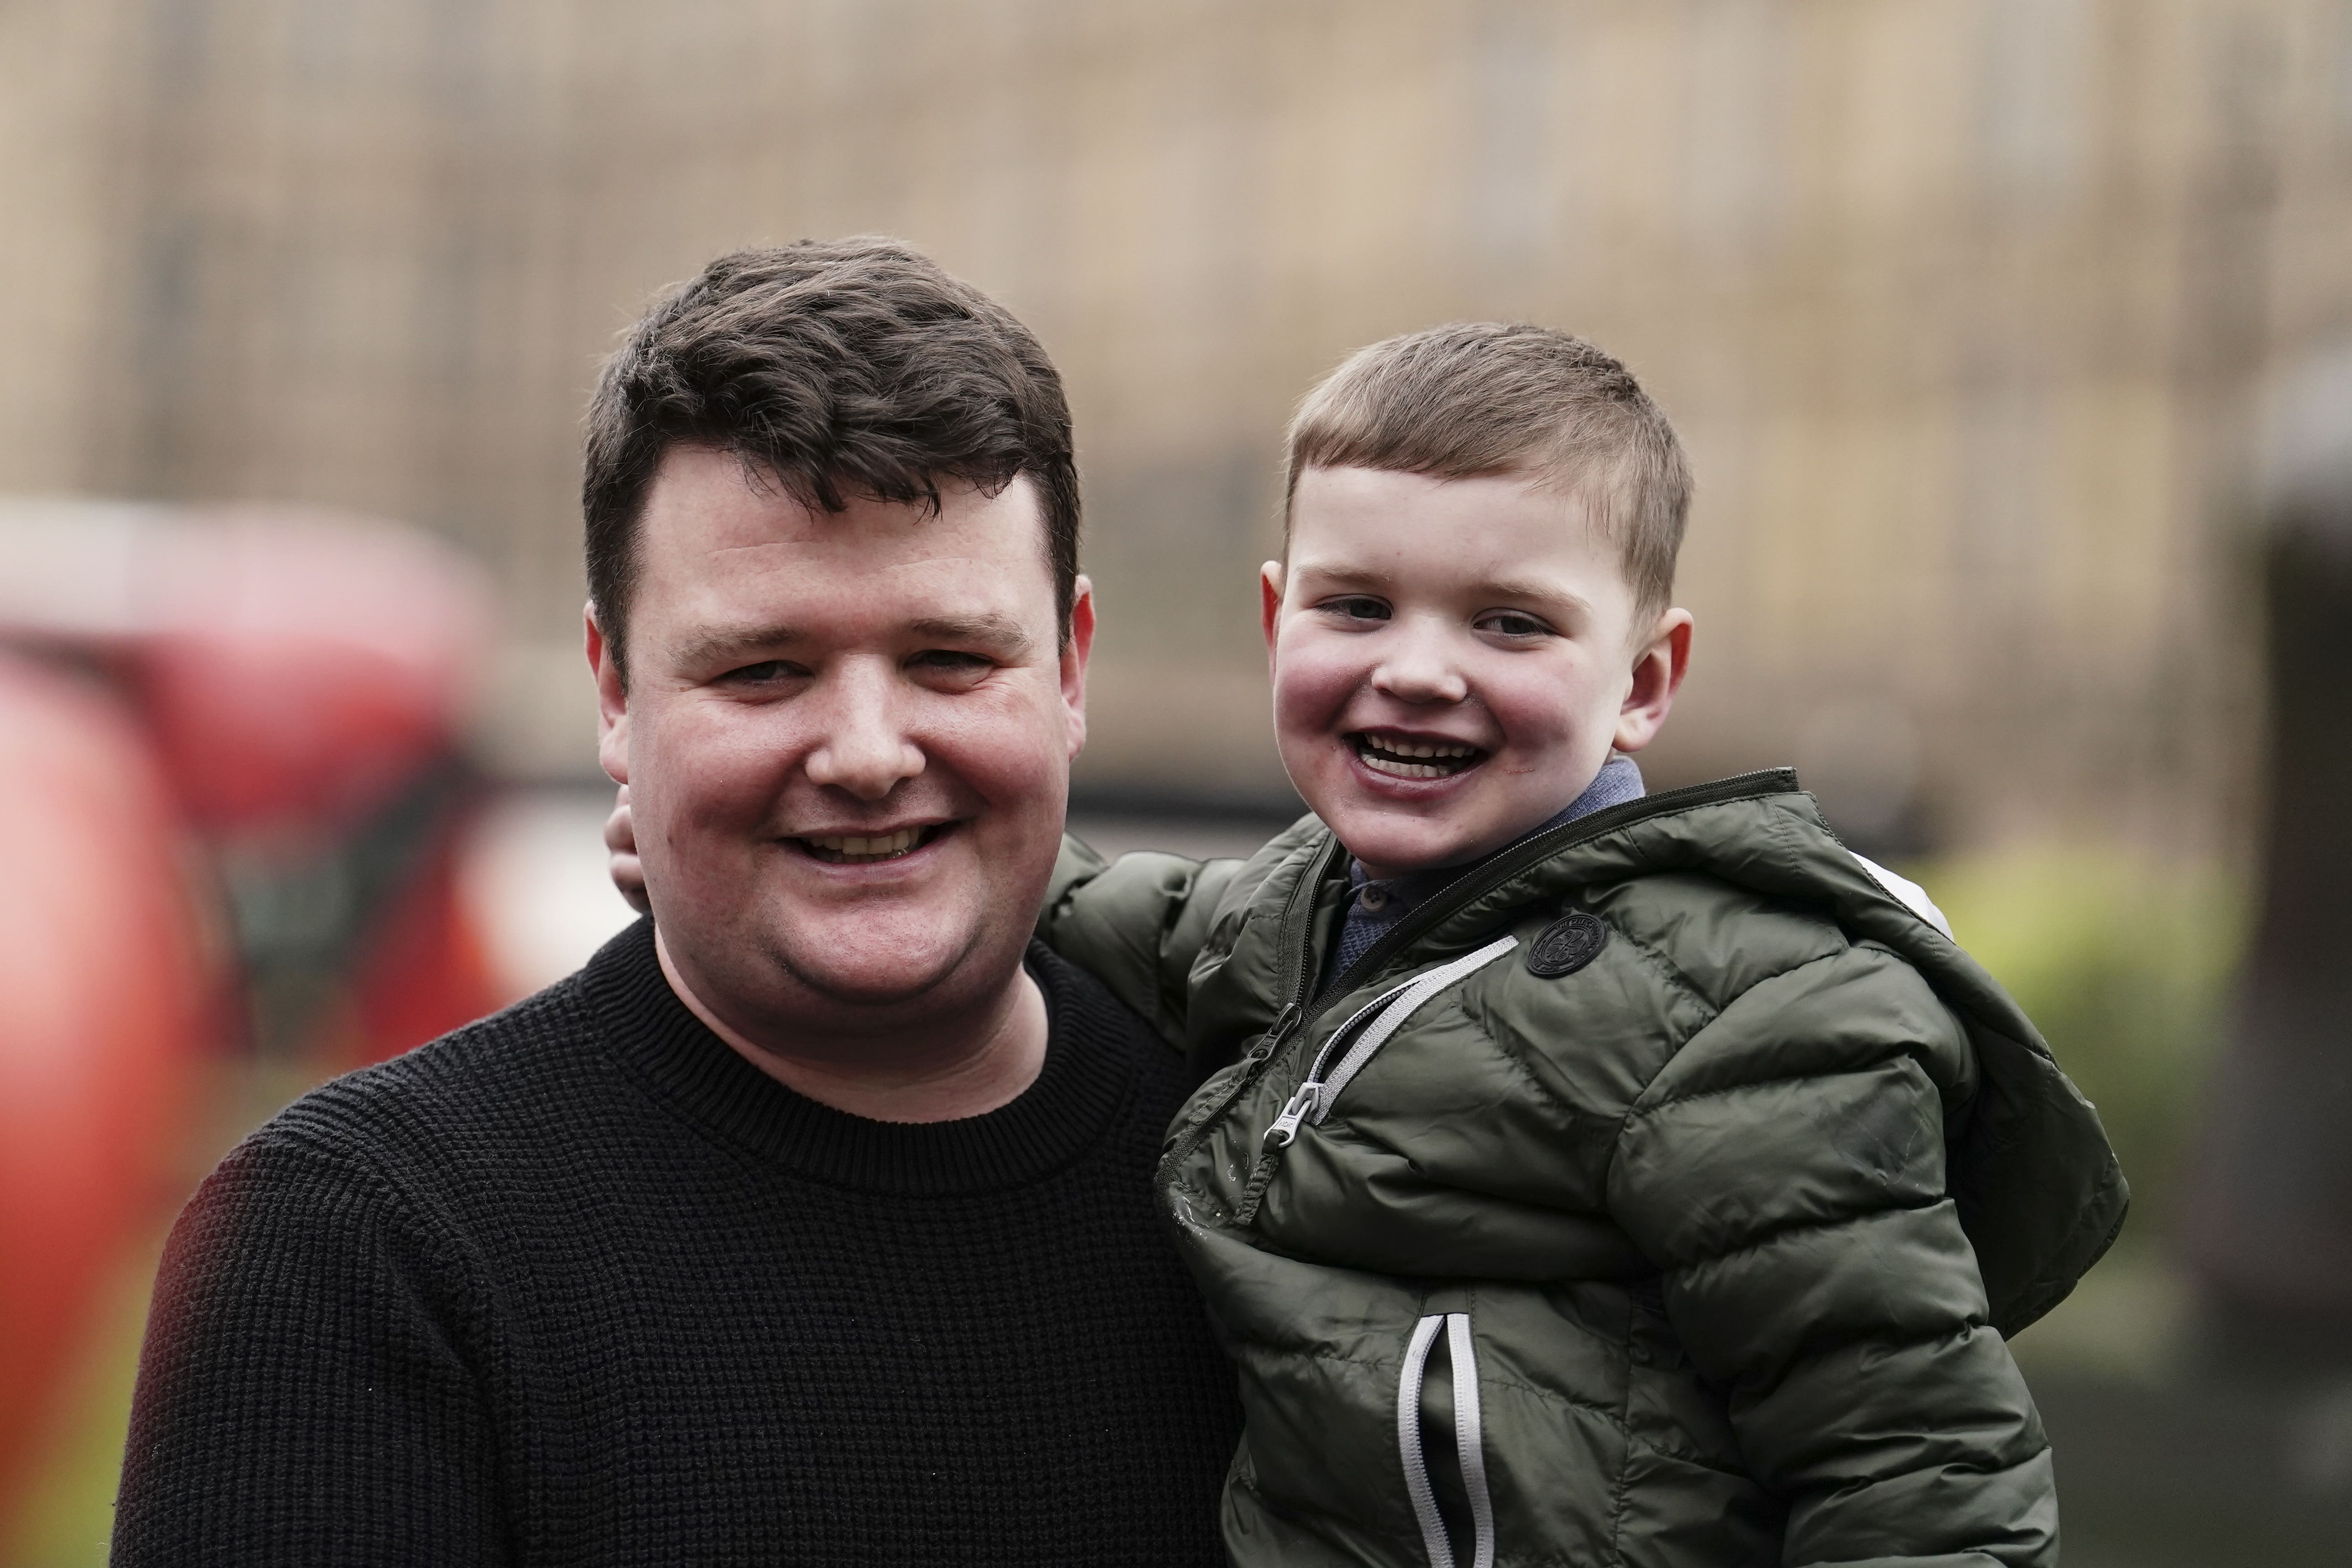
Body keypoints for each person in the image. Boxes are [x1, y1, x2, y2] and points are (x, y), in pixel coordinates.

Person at [110, 239, 1241, 1565]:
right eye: (764, 669)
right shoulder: (356, 1253)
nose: (869, 751)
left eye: (949, 658)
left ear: (1070, 665)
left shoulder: (1283, 1177)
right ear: (613, 690)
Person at [1015, 327, 2127, 1564]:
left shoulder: (1745, 1015)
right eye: (1358, 606)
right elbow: (1063, 901)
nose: (1419, 668)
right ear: (1279, 621)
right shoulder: (1292, 913)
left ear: (1645, 679)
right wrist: (919, 827)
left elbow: (1920, 1479)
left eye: (1509, 624)